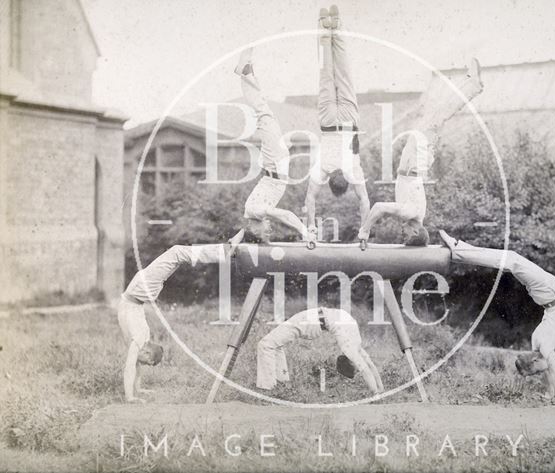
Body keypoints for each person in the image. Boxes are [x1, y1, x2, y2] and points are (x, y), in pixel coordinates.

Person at [357, 59, 484, 247]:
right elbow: (378, 207)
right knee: (439, 115)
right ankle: (472, 86)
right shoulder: (410, 213)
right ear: (416, 230)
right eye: (406, 235)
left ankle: (469, 84)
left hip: (416, 161)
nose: (402, 233)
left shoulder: (417, 216)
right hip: (416, 161)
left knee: (434, 114)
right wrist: (364, 231)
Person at [438, 230, 555, 406]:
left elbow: (551, 374)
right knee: (511, 259)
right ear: (534, 359)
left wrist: (552, 398)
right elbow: (554, 374)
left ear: (534, 359)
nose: (540, 374)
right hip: (548, 295)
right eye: (536, 373)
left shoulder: (539, 345)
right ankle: (459, 250)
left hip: (547, 296)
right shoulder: (543, 348)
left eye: (534, 373)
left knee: (511, 259)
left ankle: (459, 250)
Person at [118, 244, 225, 402]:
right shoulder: (141, 338)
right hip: (139, 292)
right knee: (177, 254)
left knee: (177, 255)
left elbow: (133, 368)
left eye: (147, 363)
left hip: (138, 292)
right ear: (147, 352)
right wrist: (131, 397)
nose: (143, 364)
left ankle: (223, 251)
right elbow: (132, 367)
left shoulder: (140, 340)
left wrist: (135, 392)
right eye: (148, 363)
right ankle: (223, 251)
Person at [234, 48, 314, 245]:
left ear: (254, 228)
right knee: (265, 113)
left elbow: (285, 215)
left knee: (264, 113)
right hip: (276, 166)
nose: (268, 229)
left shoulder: (255, 211)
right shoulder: (252, 215)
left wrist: (304, 231)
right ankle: (248, 72)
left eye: (264, 233)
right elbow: (243, 234)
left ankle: (244, 73)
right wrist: (235, 242)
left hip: (274, 165)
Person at [304, 5, 370, 239]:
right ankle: (326, 26)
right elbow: (310, 198)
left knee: (340, 71)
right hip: (329, 122)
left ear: (338, 180)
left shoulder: (353, 172)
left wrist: (365, 229)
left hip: (345, 121)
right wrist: (310, 226)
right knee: (326, 71)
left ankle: (334, 26)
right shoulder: (322, 171)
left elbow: (364, 200)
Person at [256, 307, 384, 394]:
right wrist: (377, 394)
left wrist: (380, 391)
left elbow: (369, 366)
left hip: (314, 319)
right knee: (268, 344)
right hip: (310, 320)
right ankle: (276, 385)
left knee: (267, 344)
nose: (358, 366)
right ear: (350, 361)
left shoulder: (354, 343)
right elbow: (367, 369)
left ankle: (273, 387)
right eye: (356, 368)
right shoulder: (349, 347)